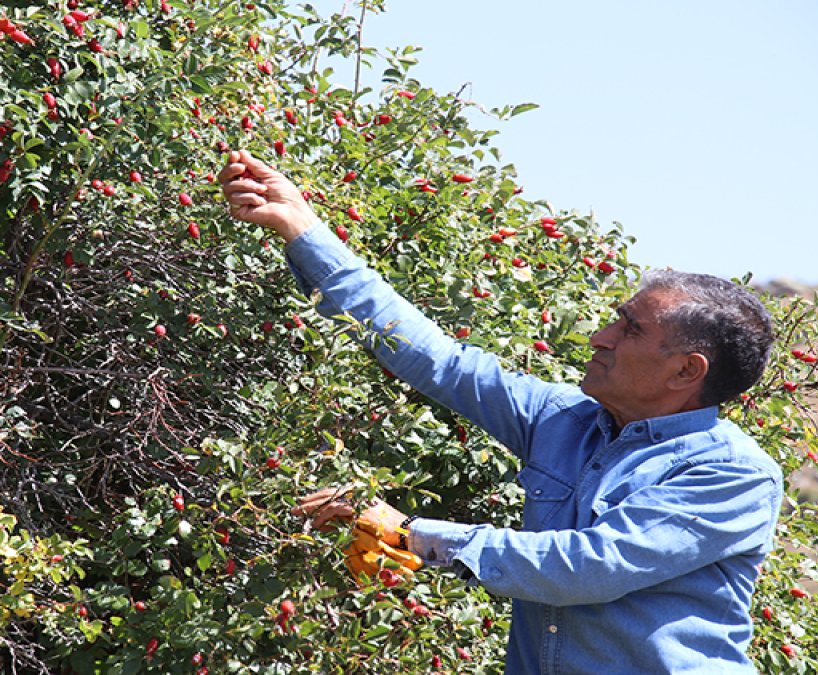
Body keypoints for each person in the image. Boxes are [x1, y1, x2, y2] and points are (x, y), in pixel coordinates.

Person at [218, 149, 783, 674]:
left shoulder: (733, 473)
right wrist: (303, 229)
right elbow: (434, 357)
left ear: (686, 372)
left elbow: (587, 568)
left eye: (629, 329)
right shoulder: (563, 419)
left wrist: (411, 535)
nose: (599, 337)